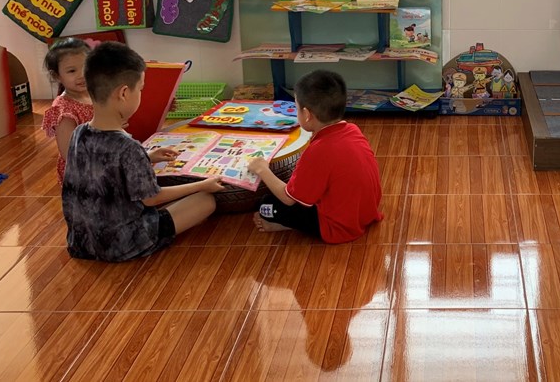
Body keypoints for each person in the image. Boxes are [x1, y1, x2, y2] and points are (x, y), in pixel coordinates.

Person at [62, 42, 222, 262]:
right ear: (124, 93)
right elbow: (152, 199)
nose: (141, 94)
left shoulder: (79, 132)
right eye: (140, 89)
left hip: (82, 242)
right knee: (205, 201)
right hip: (124, 244)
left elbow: (102, 167)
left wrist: (148, 157)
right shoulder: (128, 147)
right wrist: (202, 185)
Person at [249, 70, 383, 243]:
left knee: (265, 204)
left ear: (307, 114)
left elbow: (288, 199)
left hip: (338, 225)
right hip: (365, 212)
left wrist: (262, 169)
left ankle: (285, 225)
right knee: (297, 189)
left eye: (296, 107)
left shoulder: (318, 151)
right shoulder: (352, 130)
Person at [41, 38, 93, 185]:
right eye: (72, 71)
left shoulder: (95, 94)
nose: (82, 75)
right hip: (82, 172)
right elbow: (68, 153)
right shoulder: (64, 110)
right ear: (57, 76)